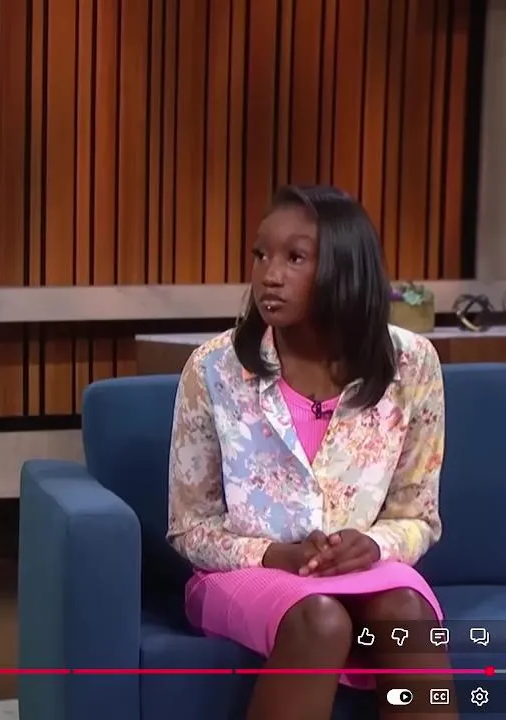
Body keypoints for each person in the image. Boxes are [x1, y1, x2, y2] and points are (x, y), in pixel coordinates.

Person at [167, 185, 454, 720]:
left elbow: (419, 516)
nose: (269, 275)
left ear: (344, 269)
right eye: (261, 255)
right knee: (320, 618)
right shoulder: (213, 369)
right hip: (243, 574)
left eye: (294, 258)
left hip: (367, 570)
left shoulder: (412, 364)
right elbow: (189, 529)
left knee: (406, 613)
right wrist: (277, 555)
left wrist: (372, 544)